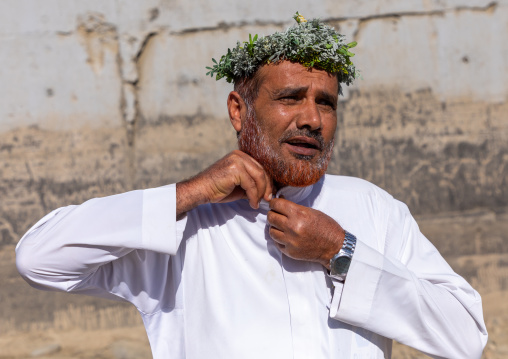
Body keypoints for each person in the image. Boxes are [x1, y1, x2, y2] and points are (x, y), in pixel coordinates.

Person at [16, 13, 487, 359]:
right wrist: (189, 194)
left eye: (325, 103)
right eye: (289, 98)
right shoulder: (184, 229)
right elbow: (39, 259)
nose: (312, 120)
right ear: (239, 111)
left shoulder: (372, 209)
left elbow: (466, 336)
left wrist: (340, 253)